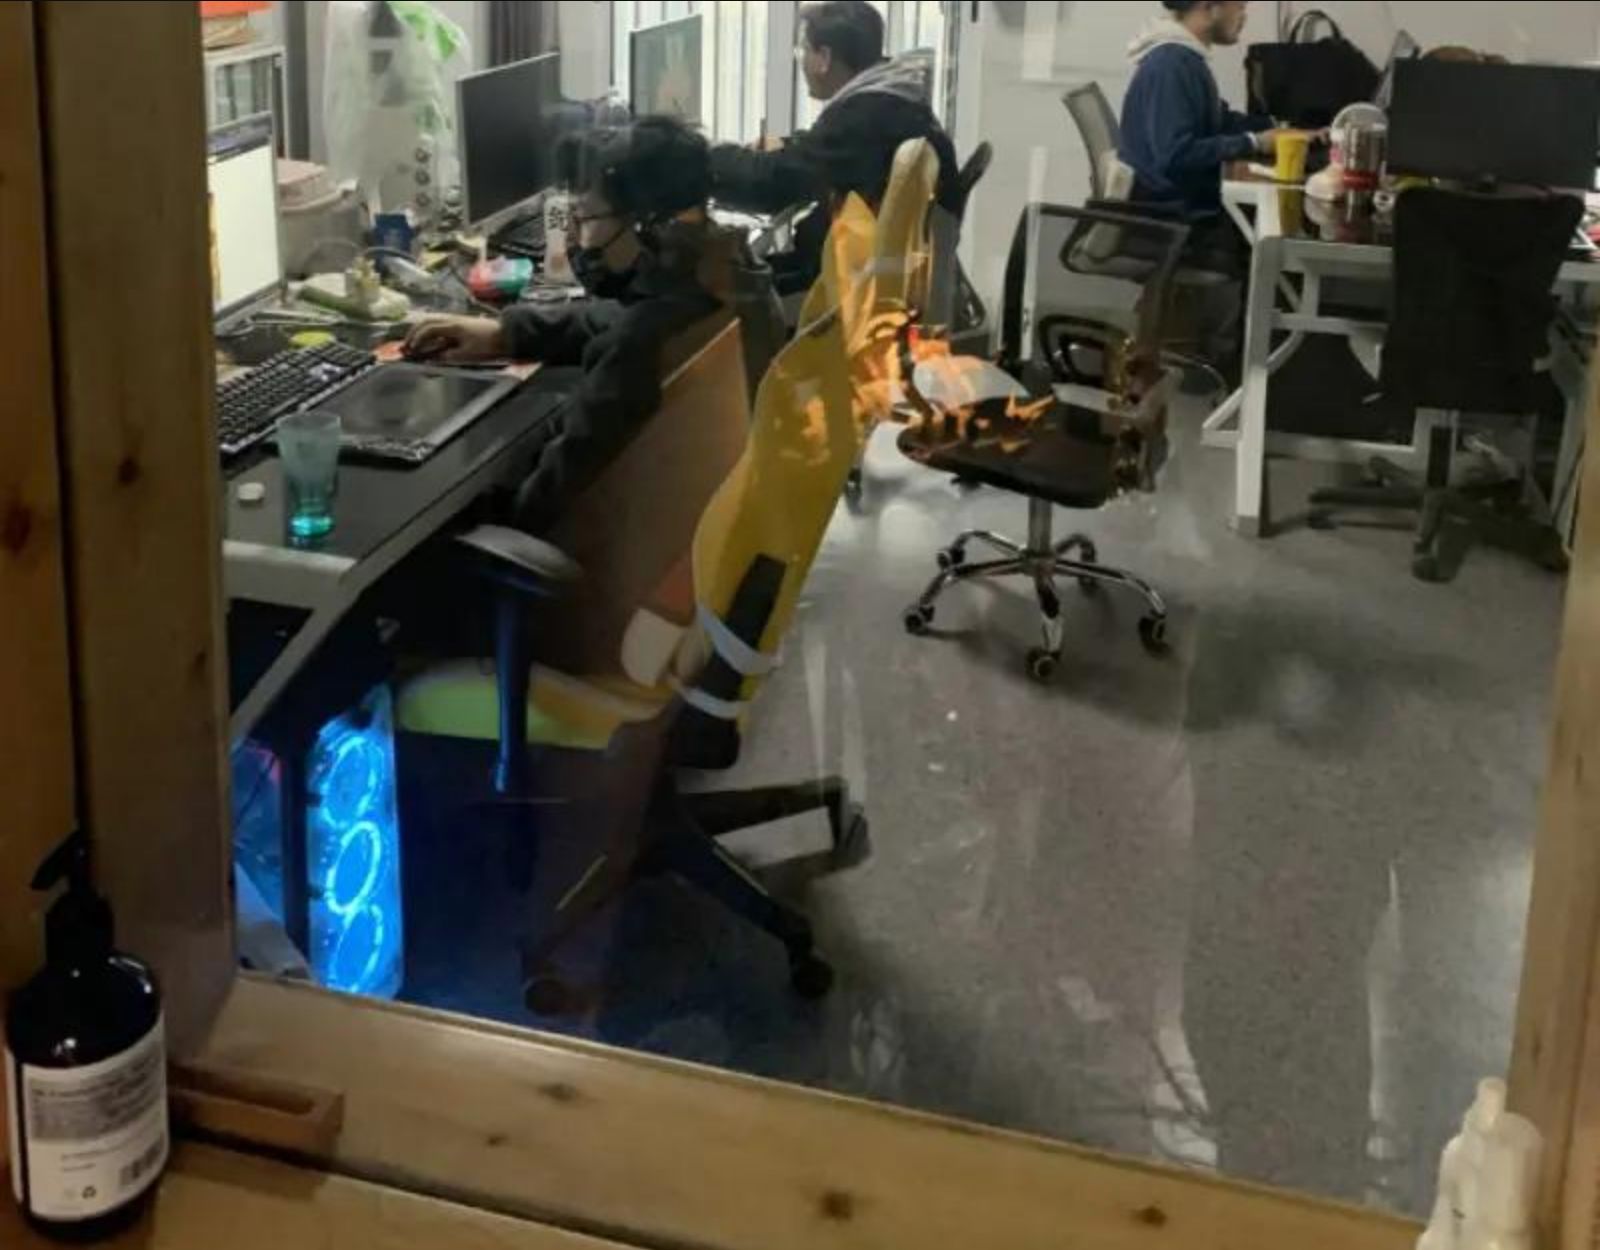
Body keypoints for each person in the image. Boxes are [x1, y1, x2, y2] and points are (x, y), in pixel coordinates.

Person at [405, 116, 780, 533]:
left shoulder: (636, 348)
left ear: (642, 226)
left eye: (584, 220)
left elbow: (545, 502)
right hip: (703, 522)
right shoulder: (725, 273)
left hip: (603, 553)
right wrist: (504, 332)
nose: (578, 240)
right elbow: (620, 316)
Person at [708, 0, 960, 294]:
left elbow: (772, 183)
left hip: (847, 287)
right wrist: (792, 145)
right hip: (882, 272)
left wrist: (699, 156)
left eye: (803, 50)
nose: (801, 60)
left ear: (824, 58)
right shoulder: (894, 99)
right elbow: (832, 153)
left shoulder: (861, 118)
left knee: (715, 285)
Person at [1120, 0, 1292, 265]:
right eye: (1240, 7)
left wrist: (1276, 127)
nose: (1244, 17)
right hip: (1171, 220)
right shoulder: (1170, 65)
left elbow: (1218, 120)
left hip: (1177, 206)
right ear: (1210, 8)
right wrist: (1253, 143)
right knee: (1274, 241)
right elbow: (1175, 154)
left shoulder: (1186, 59)